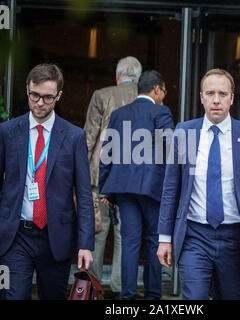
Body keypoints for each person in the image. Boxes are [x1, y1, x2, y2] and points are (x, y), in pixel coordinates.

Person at [157, 68, 240, 300]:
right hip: (194, 236)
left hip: (234, 238)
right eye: (210, 93)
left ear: (232, 99)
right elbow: (170, 188)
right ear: (201, 97)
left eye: (223, 94)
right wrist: (164, 237)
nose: (216, 100)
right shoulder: (184, 131)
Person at [0, 63, 94, 300]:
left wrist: (85, 244)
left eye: (47, 97)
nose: (40, 103)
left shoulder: (74, 136)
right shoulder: (8, 132)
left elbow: (83, 193)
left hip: (56, 237)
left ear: (59, 95)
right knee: (13, 296)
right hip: (15, 235)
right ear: (27, 90)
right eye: (34, 95)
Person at [99, 70, 174, 300]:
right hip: (153, 188)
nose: (164, 95)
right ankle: (153, 296)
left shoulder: (120, 114)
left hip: (124, 188)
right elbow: (171, 149)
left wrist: (105, 188)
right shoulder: (161, 112)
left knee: (130, 243)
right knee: (153, 242)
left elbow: (107, 151)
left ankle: (127, 297)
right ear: (157, 89)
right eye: (164, 91)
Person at [84, 56, 142, 299]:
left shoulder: (101, 95)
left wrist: (81, 177)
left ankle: (93, 288)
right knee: (125, 236)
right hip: (131, 180)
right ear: (138, 78)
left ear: (117, 76)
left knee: (97, 232)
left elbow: (89, 138)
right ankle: (120, 288)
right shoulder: (146, 98)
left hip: (100, 177)